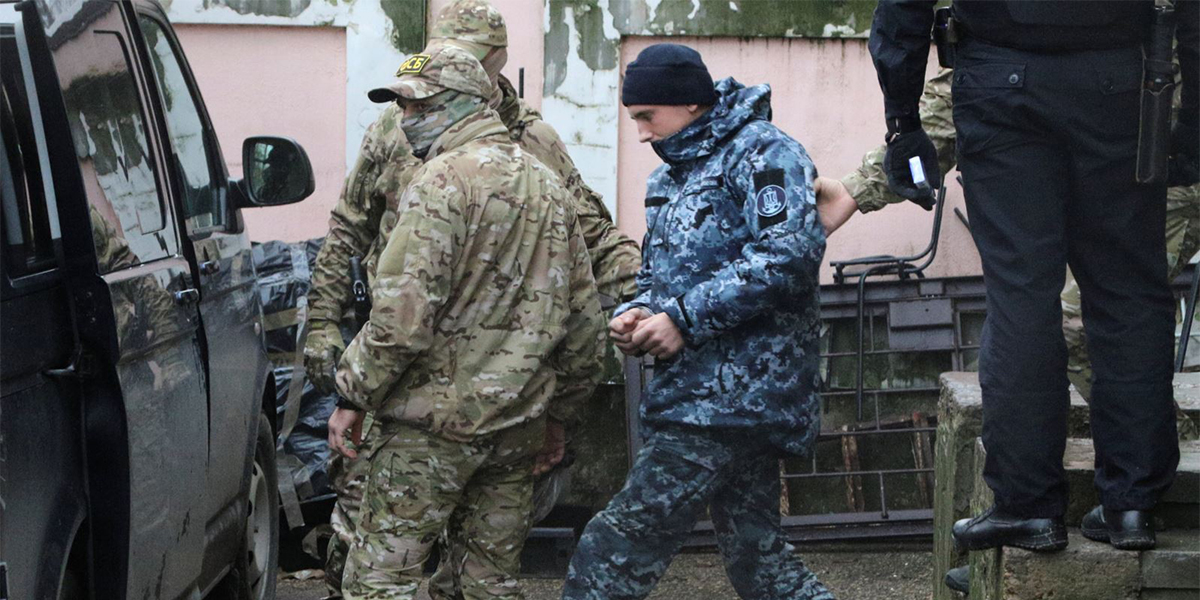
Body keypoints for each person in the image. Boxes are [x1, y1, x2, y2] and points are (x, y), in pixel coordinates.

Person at [818, 63, 1200, 595]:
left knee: (1075, 321)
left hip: (1155, 150)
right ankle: (1110, 502)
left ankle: (1128, 492)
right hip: (1128, 141)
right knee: (1089, 313)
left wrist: (857, 189)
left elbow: (969, 85)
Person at [306, 1, 641, 596]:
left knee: (381, 578)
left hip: (424, 416)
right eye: (405, 106)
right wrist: (559, 412)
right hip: (514, 417)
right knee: (485, 581)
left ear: (487, 74)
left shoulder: (453, 174)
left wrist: (352, 393)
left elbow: (401, 320)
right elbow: (585, 323)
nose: (408, 119)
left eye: (420, 106)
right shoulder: (537, 180)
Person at [560, 43, 835, 600]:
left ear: (688, 103)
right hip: (699, 394)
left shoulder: (762, 153)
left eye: (647, 116)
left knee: (613, 548)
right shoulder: (671, 178)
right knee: (760, 562)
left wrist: (682, 319)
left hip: (736, 399)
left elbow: (789, 255)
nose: (642, 133)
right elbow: (659, 275)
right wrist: (638, 311)